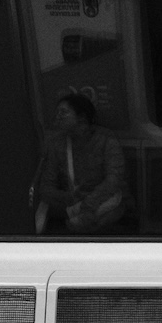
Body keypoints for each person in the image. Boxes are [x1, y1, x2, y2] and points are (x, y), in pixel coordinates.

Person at [35, 93, 128, 234]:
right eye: (57, 113)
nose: (57, 117)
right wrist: (69, 198)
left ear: (82, 118)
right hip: (71, 202)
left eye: (63, 112)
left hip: (103, 199)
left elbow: (113, 180)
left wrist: (89, 202)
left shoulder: (106, 139)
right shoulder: (57, 143)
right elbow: (46, 186)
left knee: (98, 217)